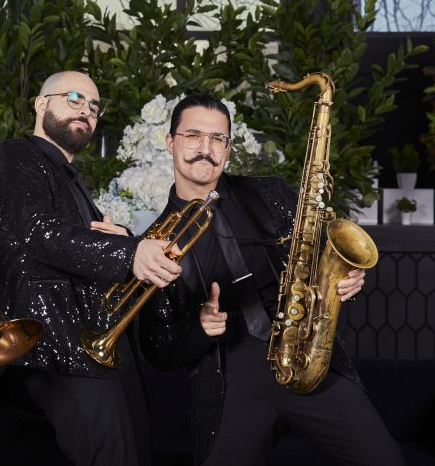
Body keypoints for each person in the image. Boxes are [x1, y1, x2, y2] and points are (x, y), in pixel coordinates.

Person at [139, 92, 405, 466]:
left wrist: (347, 277)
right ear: (170, 142)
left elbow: (321, 252)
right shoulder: (154, 242)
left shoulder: (270, 192)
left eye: (218, 139)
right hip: (232, 375)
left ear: (229, 148)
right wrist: (199, 326)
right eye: (193, 136)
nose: (206, 149)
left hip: (306, 351)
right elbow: (157, 348)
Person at [0, 71, 182, 466]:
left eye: (93, 106)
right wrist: (130, 252)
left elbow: (72, 246)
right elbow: (39, 232)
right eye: (74, 98)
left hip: (89, 343)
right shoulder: (17, 155)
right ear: (41, 104)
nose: (86, 110)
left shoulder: (68, 175)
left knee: (133, 451)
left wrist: (124, 239)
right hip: (59, 345)